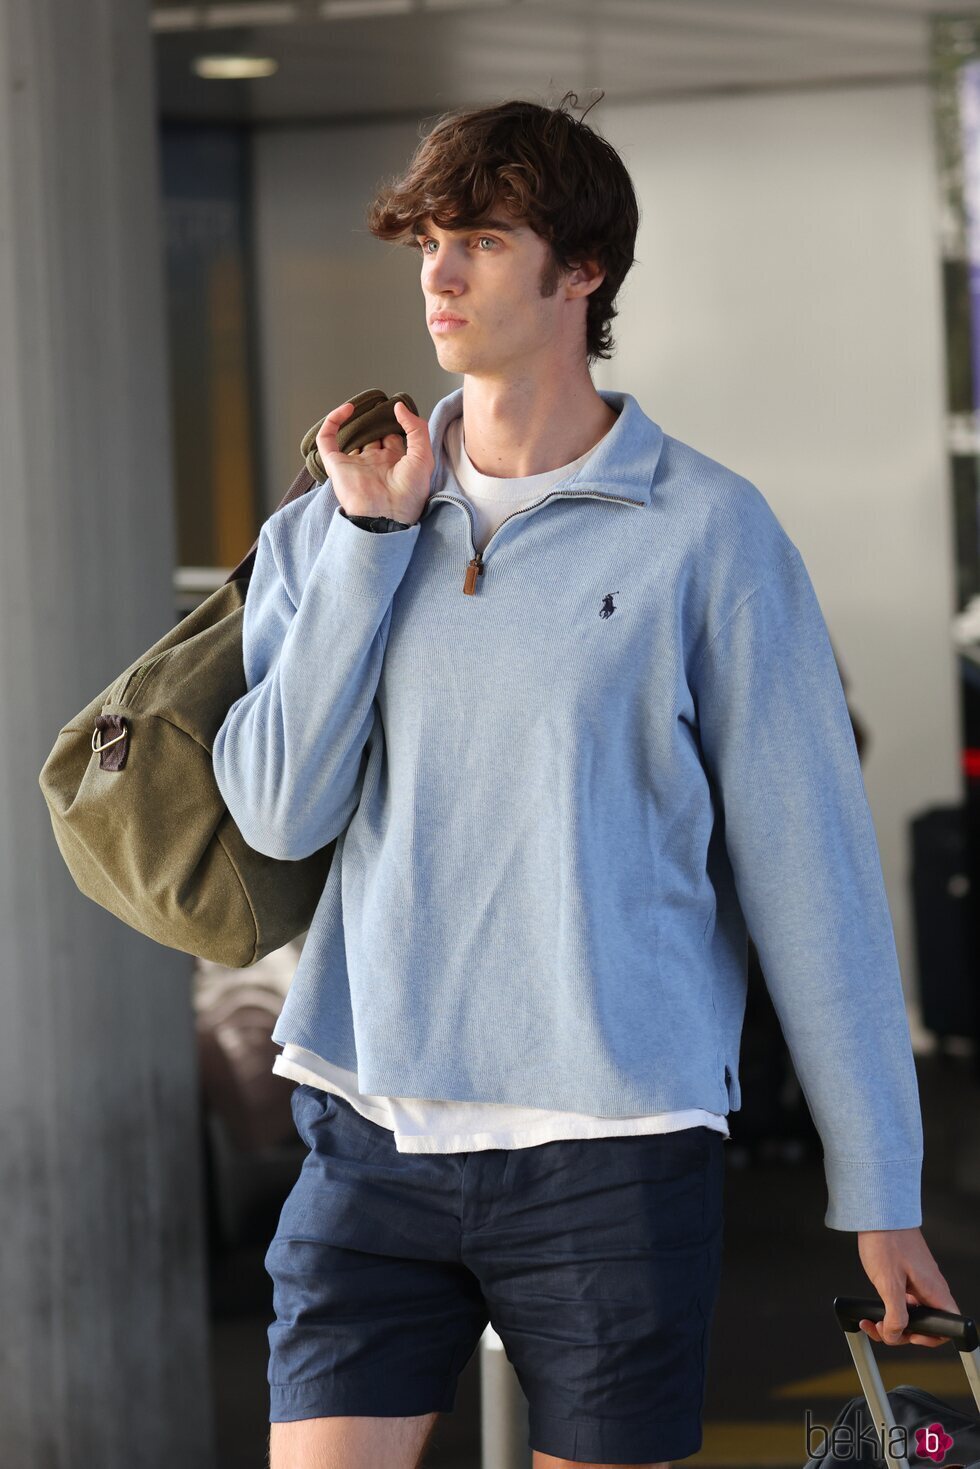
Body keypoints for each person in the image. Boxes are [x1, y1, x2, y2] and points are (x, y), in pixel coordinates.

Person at [211, 93, 960, 1469]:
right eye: (428, 241)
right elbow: (275, 810)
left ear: (583, 270)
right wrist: (371, 548)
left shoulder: (708, 533)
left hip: (612, 1151)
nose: (437, 275)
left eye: (481, 240)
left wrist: (882, 1189)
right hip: (368, 1135)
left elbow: (816, 881)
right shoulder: (337, 519)